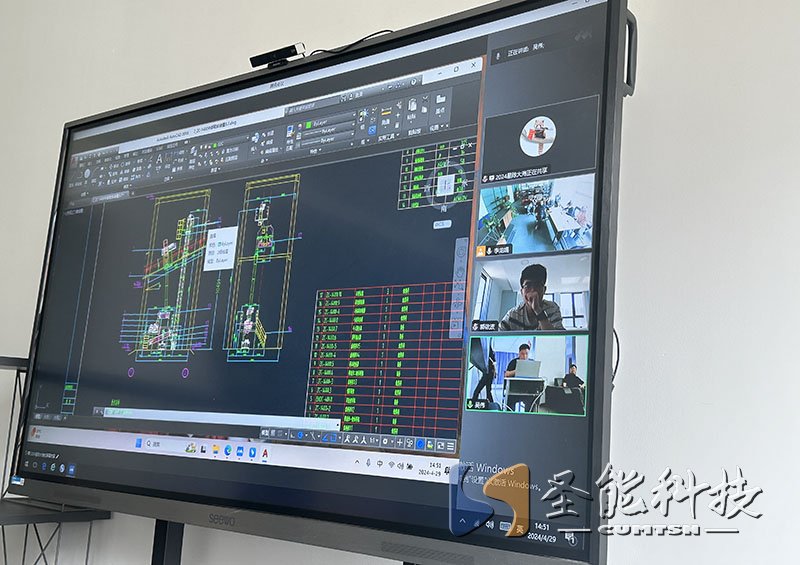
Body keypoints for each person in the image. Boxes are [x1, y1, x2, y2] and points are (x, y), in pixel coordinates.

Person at [499, 264, 564, 331]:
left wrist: (538, 310)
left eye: (537, 285)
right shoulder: (512, 315)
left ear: (544, 290)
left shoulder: (552, 308)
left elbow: (558, 336)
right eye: (528, 285)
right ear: (522, 292)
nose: (533, 290)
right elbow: (498, 334)